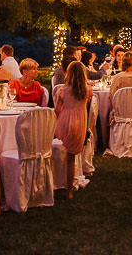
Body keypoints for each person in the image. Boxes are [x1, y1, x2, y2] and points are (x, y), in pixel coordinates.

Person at [54, 61, 92, 198]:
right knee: (71, 158)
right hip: (80, 122)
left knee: (59, 151)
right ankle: (69, 190)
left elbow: (57, 110)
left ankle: (56, 181)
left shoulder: (63, 91)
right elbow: (85, 105)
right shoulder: (87, 90)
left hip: (65, 121)